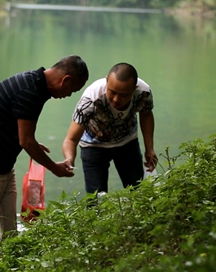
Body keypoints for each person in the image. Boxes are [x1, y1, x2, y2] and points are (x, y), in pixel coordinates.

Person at [0, 55, 88, 269]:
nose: (68, 96)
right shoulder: (30, 91)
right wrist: (54, 167)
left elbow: (20, 130)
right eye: (72, 91)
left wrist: (34, 145)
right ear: (65, 80)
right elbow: (25, 140)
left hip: (2, 167)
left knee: (7, 233)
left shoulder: (35, 85)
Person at [62, 62, 157, 195]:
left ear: (134, 88)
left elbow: (146, 115)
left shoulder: (143, 92)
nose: (116, 99)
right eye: (112, 92)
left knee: (138, 192)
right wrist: (69, 160)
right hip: (93, 146)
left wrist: (149, 148)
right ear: (107, 81)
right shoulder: (90, 99)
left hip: (127, 142)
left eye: (123, 95)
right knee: (95, 200)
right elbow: (71, 139)